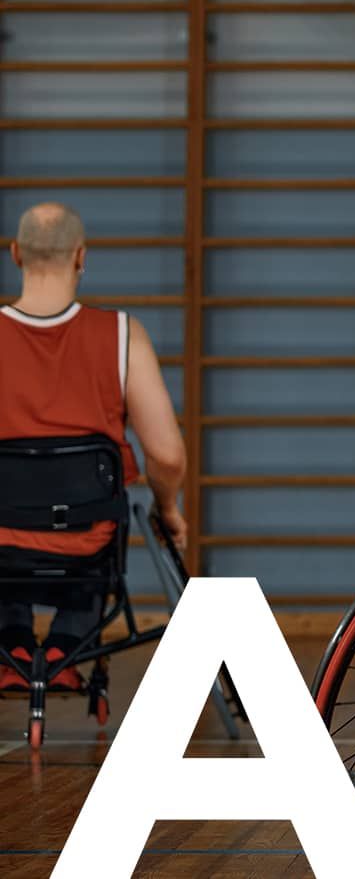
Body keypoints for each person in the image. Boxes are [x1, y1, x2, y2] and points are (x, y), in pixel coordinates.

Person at [0, 202, 188, 692]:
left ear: (16, 253)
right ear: (81, 257)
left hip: (1, 545)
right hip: (87, 547)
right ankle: (64, 648)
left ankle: (13, 645)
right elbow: (166, 456)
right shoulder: (123, 336)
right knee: (100, 531)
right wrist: (168, 509)